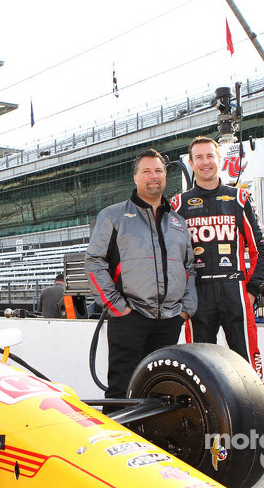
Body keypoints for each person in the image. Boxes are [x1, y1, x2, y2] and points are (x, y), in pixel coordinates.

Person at [86, 149, 197, 402]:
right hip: (129, 317)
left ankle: (152, 440)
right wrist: (117, 307)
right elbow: (94, 262)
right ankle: (116, 440)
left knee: (161, 389)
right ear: (135, 178)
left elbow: (189, 267)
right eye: (146, 171)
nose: (153, 176)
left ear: (165, 176)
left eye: (158, 171)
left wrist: (186, 308)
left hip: (170, 318)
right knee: (121, 390)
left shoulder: (178, 222)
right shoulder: (112, 215)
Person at [171, 136, 264, 379]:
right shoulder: (177, 204)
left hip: (234, 290)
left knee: (246, 363)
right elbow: (170, 256)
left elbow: (261, 247)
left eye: (210, 156)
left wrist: (252, 289)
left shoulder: (240, 199)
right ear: (191, 164)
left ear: (220, 160)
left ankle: (254, 414)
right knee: (200, 365)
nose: (205, 162)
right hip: (198, 293)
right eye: (199, 157)